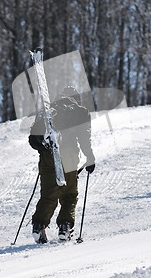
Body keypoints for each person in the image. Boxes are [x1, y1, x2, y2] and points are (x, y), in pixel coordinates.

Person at [28, 86, 95, 243]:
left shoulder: (47, 111)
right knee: (69, 195)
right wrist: (89, 157)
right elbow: (84, 137)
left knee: (48, 194)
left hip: (47, 157)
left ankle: (39, 226)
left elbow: (32, 139)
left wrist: (43, 147)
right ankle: (64, 227)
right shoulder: (80, 111)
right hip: (69, 156)